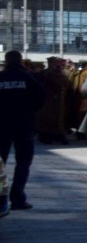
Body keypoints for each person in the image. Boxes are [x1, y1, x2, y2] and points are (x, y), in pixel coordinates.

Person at [0, 50, 46, 211]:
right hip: (24, 125)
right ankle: (17, 198)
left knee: (1, 163)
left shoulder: (1, 77)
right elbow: (40, 99)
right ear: (19, 61)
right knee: (23, 163)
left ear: (6, 61)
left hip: (2, 126)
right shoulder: (28, 78)